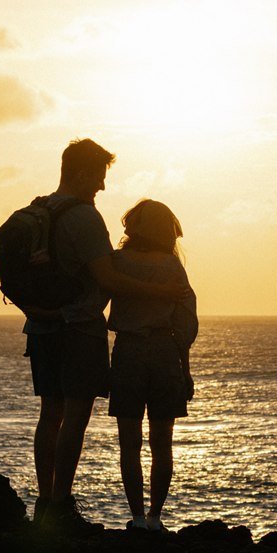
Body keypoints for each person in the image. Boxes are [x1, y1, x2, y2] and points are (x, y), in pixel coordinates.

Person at [23, 139, 188, 533]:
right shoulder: (84, 218)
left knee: (50, 415)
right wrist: (161, 292)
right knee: (76, 415)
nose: (101, 186)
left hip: (43, 326)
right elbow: (109, 279)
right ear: (81, 172)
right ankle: (60, 506)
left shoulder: (38, 209)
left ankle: (45, 504)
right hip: (78, 328)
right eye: (99, 176)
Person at [105, 199, 198, 533]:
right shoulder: (173, 268)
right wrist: (185, 370)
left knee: (129, 443)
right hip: (164, 352)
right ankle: (156, 517)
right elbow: (184, 327)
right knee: (163, 442)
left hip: (128, 351)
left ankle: (138, 517)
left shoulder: (118, 262)